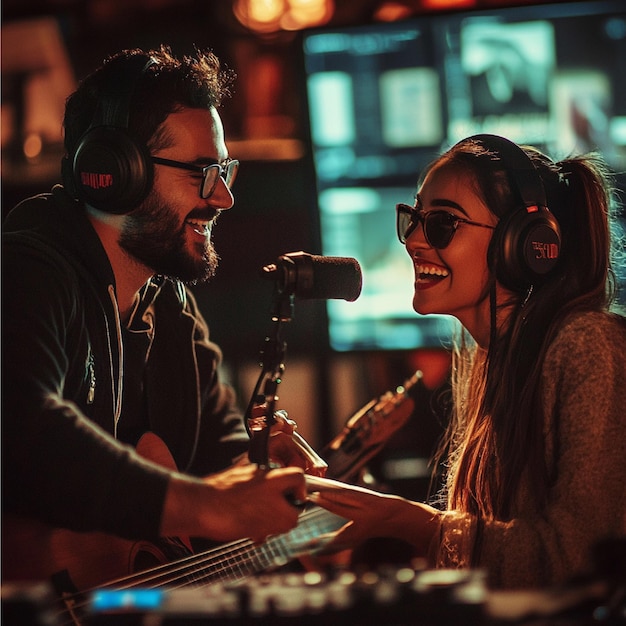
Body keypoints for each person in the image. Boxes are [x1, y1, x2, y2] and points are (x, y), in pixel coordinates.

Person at [1, 46, 311, 586]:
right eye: (203, 171)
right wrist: (209, 505)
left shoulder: (170, 307)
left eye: (225, 170)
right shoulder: (26, 273)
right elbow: (24, 429)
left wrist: (259, 474)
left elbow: (219, 459)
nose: (224, 198)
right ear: (113, 173)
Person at [308, 134, 626, 589]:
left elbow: (580, 562)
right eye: (414, 219)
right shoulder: (493, 361)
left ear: (526, 244)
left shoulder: (588, 347)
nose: (414, 240)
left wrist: (411, 522)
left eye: (441, 223)